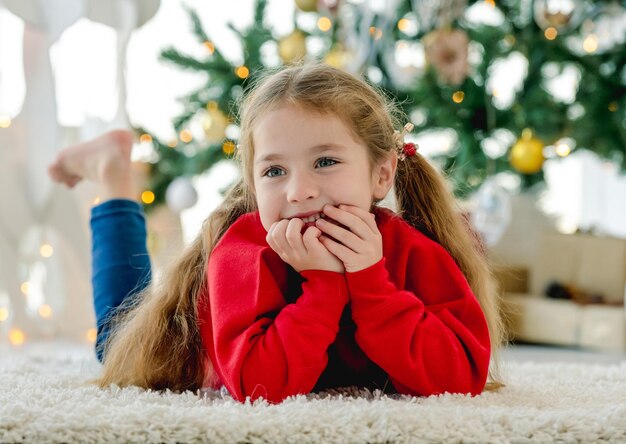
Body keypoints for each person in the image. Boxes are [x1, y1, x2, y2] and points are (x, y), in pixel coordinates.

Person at [48, 63, 504, 403]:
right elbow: (259, 388)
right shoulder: (246, 253)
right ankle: (112, 174)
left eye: (325, 161)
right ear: (253, 182)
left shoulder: (410, 251)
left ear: (382, 174)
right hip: (181, 345)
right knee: (117, 340)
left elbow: (459, 380)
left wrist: (371, 284)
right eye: (274, 170)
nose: (300, 191)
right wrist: (324, 286)